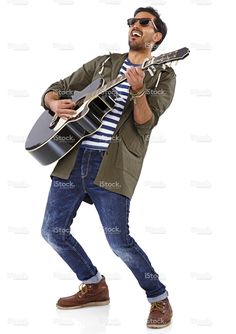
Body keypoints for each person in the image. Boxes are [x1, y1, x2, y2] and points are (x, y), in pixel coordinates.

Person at [41, 6, 176, 329]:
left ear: (156, 36)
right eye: (132, 21)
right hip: (74, 159)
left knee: (119, 241)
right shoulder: (104, 63)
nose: (135, 26)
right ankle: (93, 284)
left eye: (144, 23)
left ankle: (158, 298)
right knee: (52, 232)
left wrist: (139, 90)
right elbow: (58, 87)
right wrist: (53, 103)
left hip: (113, 167)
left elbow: (145, 123)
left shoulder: (162, 74)